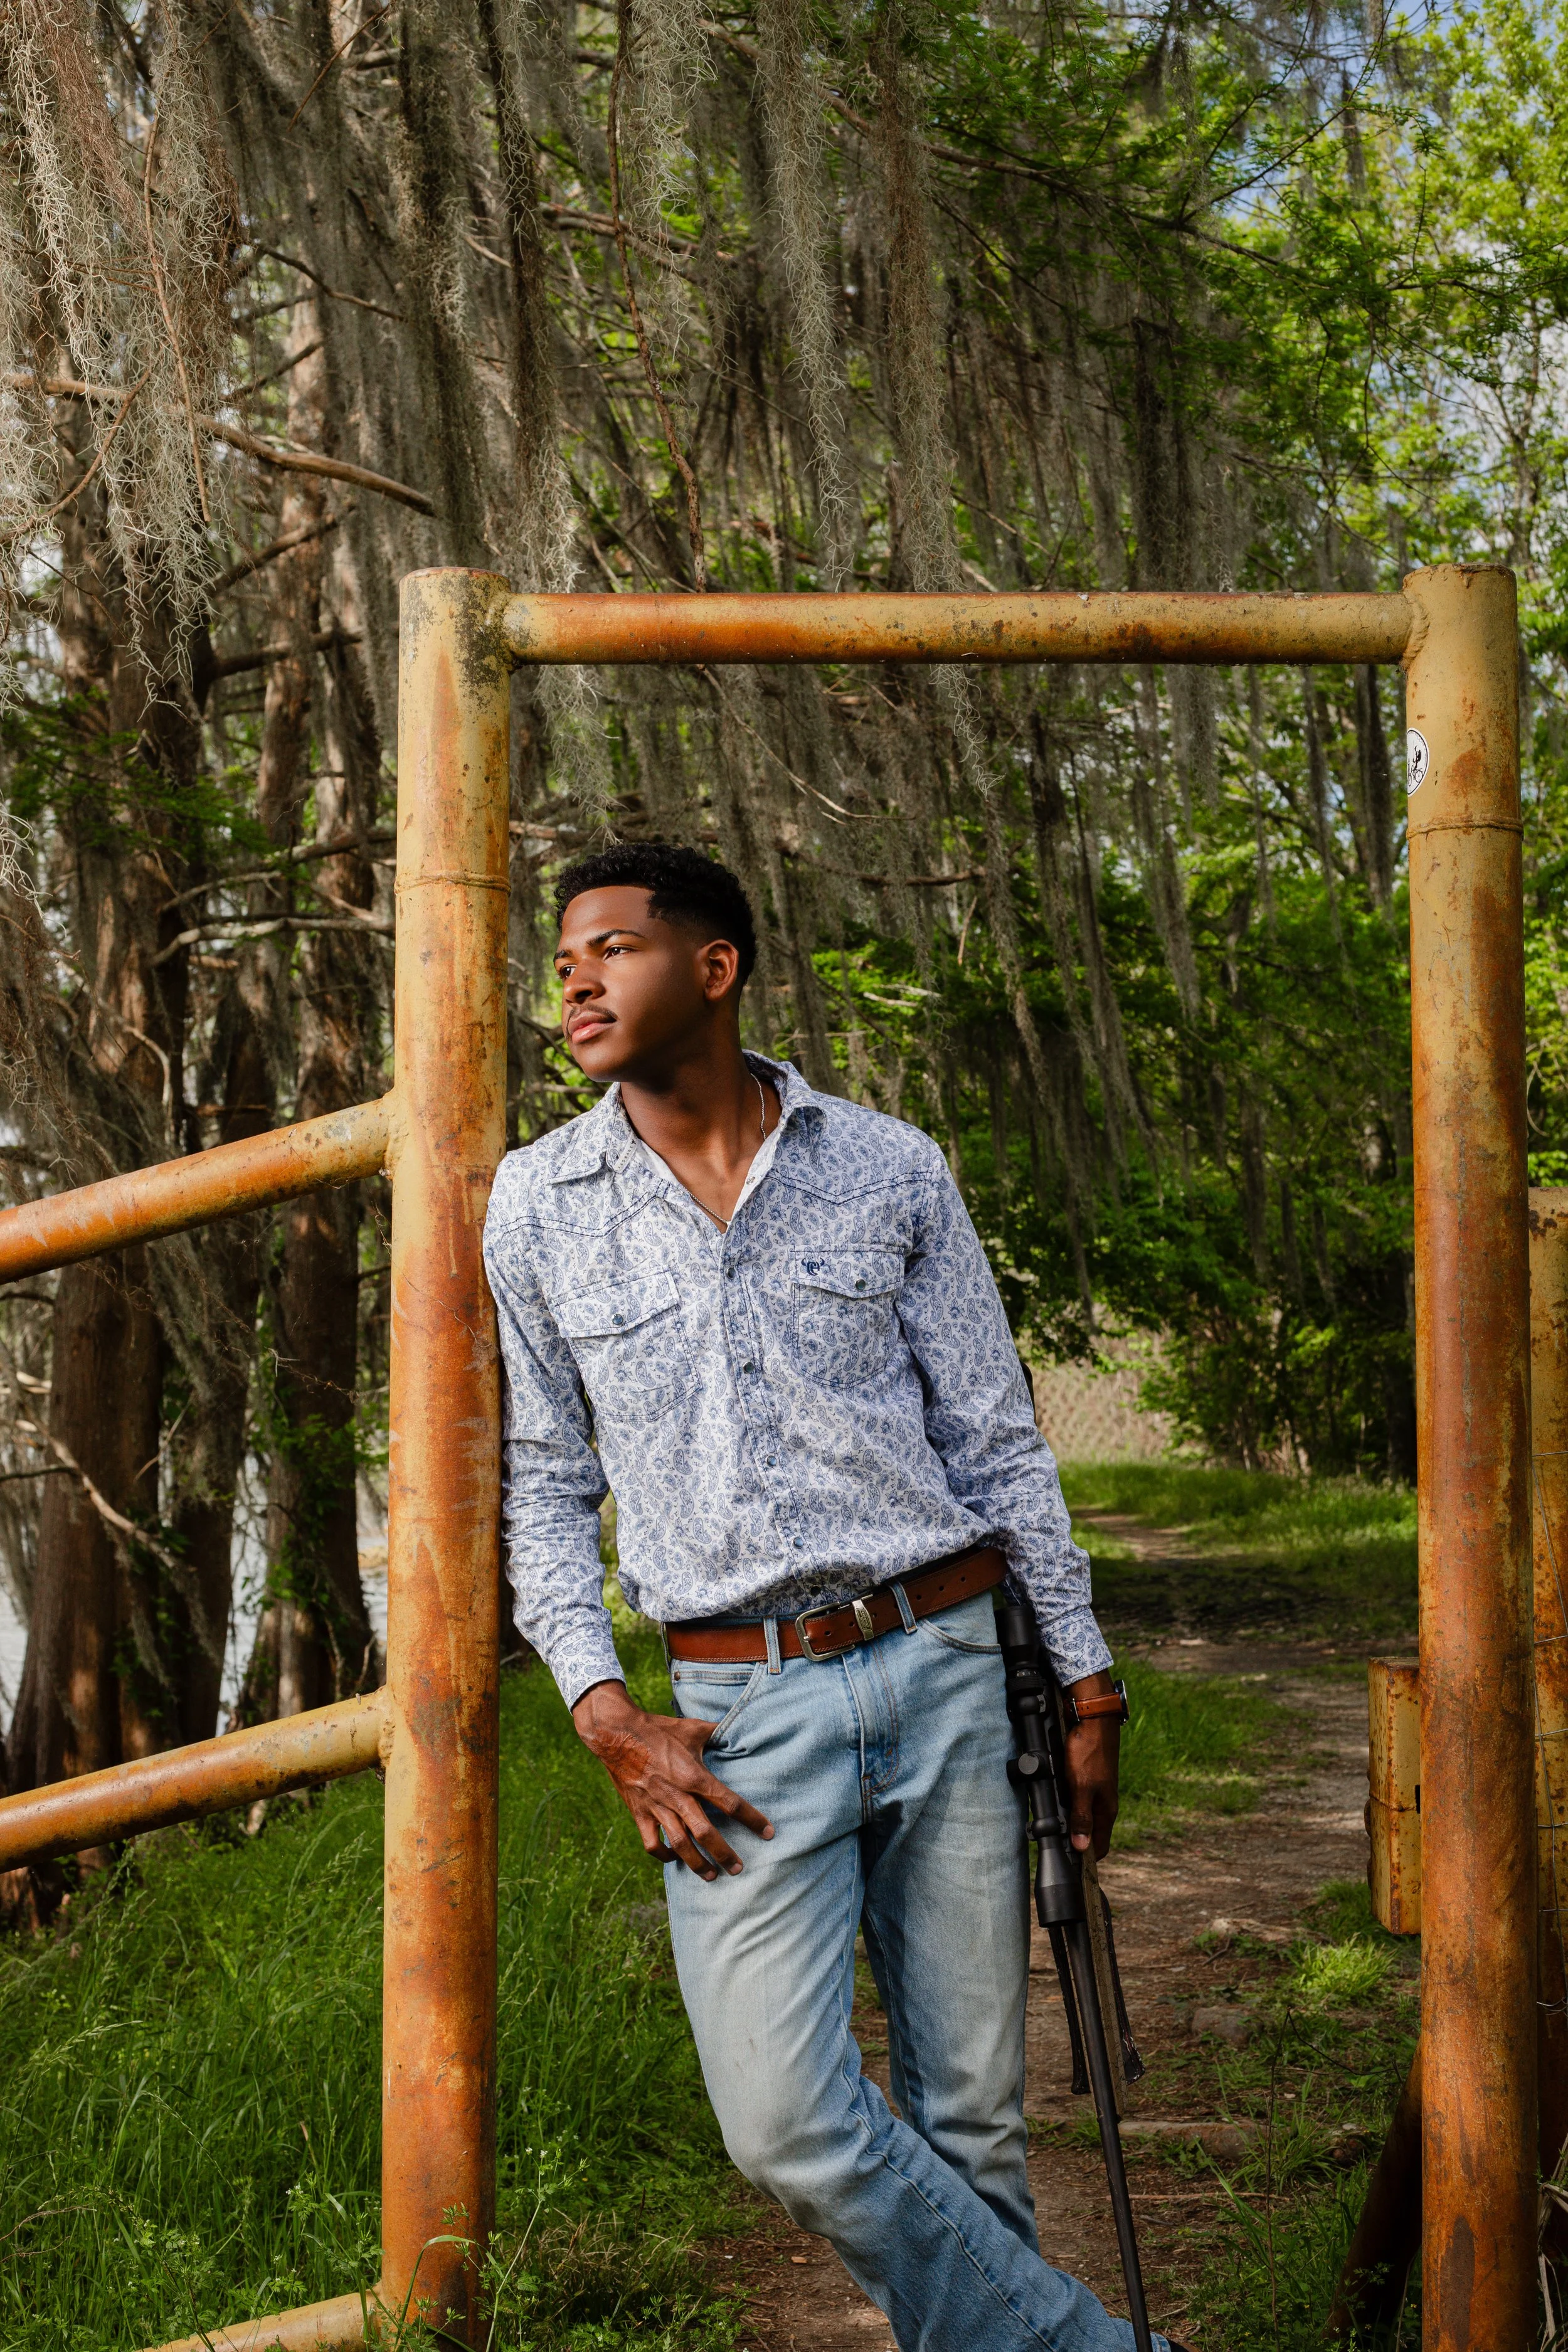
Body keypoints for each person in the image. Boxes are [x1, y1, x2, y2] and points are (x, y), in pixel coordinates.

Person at [483, 842, 1182, 2352]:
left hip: (947, 1661)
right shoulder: (539, 1203)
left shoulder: (889, 1164)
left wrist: (1087, 1681)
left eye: (609, 947)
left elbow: (997, 1443)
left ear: (713, 967)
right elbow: (540, 1482)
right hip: (736, 1718)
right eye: (562, 963)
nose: (576, 981)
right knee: (787, 2124)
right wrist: (602, 1712)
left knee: (970, 2124)